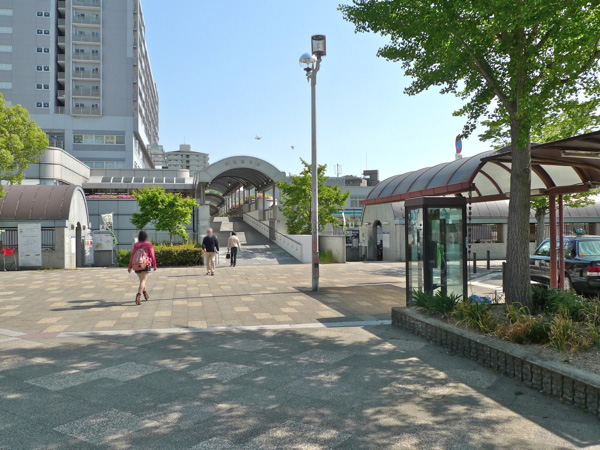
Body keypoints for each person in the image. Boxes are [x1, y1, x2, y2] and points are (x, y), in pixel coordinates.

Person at [128, 230, 157, 305]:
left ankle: (145, 294)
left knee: (142, 281)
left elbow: (132, 256)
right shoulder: (148, 244)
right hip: (145, 264)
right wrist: (154, 265)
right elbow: (152, 255)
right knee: (143, 281)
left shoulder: (136, 245)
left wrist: (130, 267)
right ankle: (138, 296)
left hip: (136, 265)